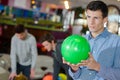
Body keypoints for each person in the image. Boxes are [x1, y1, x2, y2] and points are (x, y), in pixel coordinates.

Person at [63, 1, 120, 80]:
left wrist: (97, 67)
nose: (91, 22)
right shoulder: (82, 40)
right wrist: (74, 69)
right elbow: (76, 76)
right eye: (89, 17)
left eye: (96, 18)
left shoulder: (117, 42)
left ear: (105, 20)